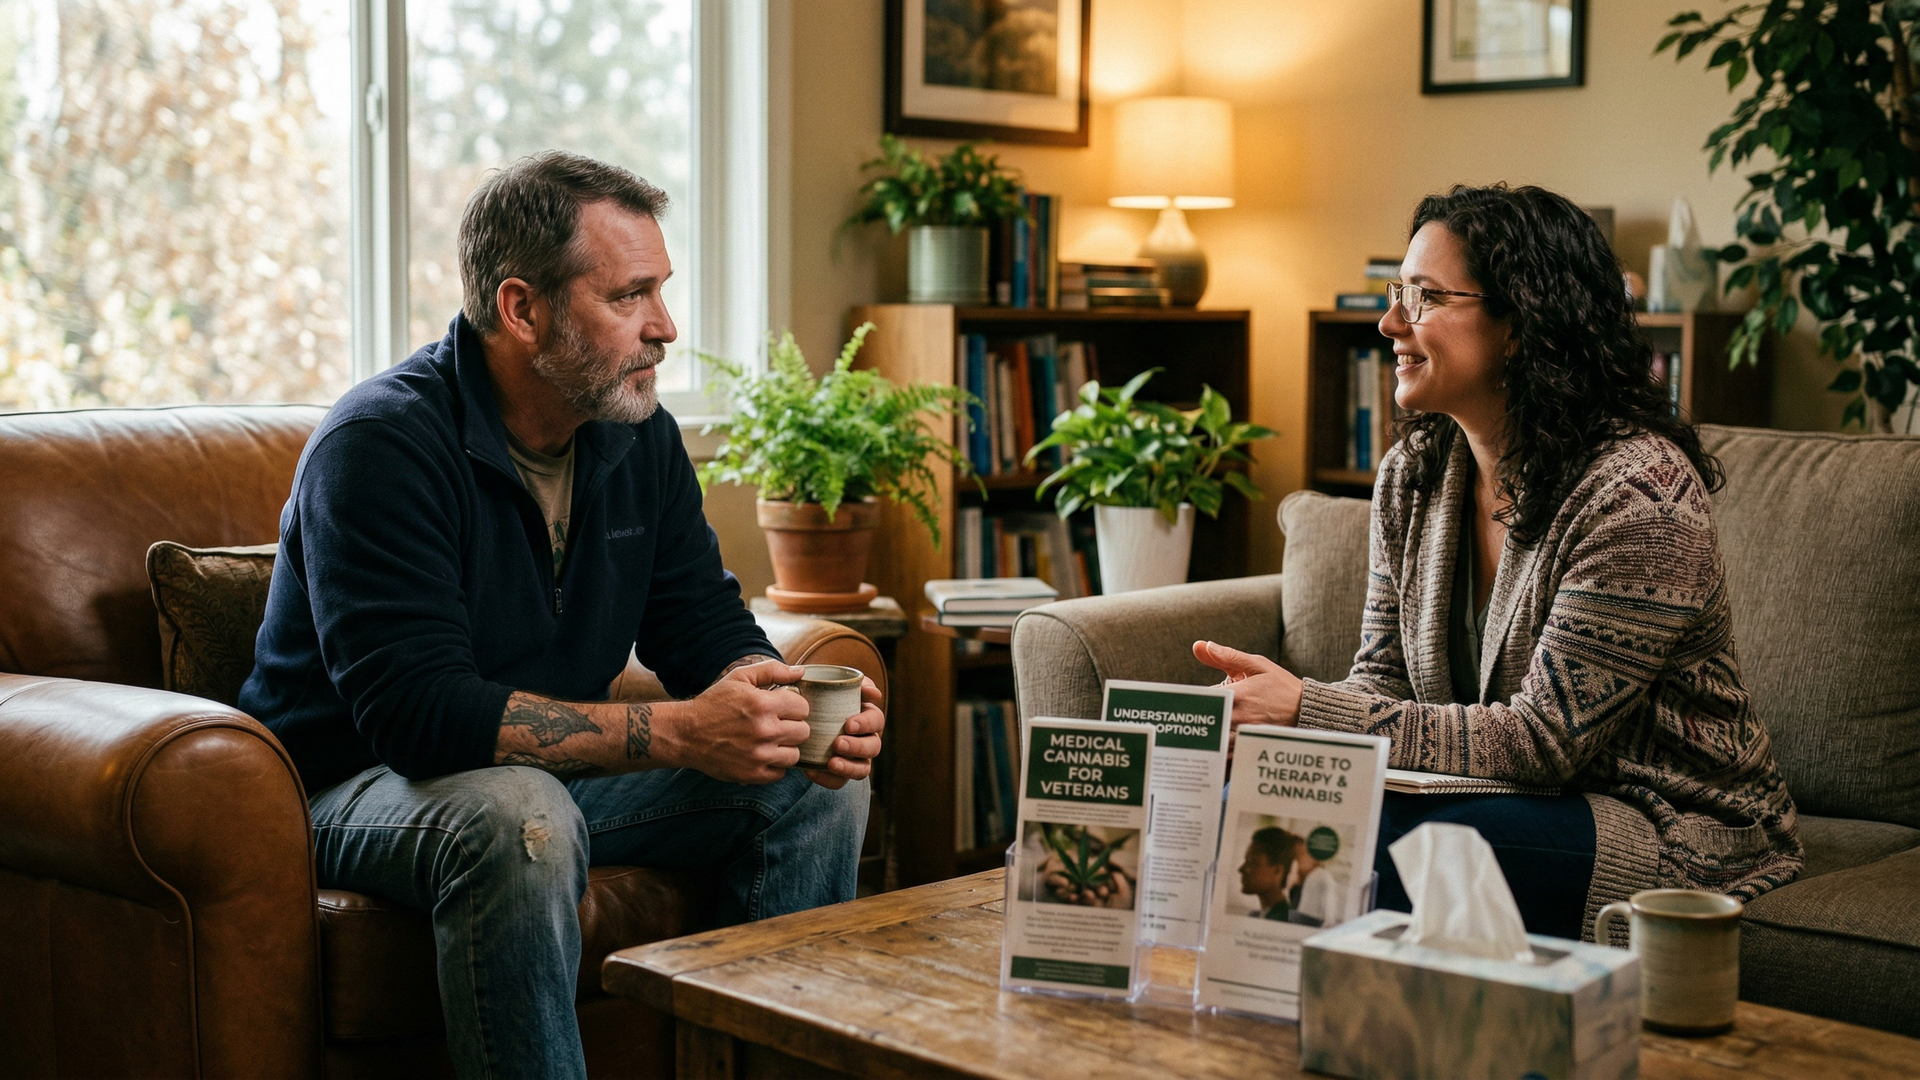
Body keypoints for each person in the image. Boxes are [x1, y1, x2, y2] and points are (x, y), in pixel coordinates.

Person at [239, 151, 883, 1079]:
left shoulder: (636, 434)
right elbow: (420, 717)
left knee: (811, 782)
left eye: (661, 290)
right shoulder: (379, 446)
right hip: (347, 789)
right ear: (520, 308)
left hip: (549, 778)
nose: (666, 327)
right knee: (518, 816)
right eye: (629, 297)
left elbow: (698, 620)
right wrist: (676, 733)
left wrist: (776, 699)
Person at [1194, 183, 1801, 942]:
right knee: (1250, 802)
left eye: (1424, 299)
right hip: (1495, 791)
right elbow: (1381, 680)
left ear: (1520, 325)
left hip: (1663, 823)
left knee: (1381, 840)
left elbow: (1543, 742)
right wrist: (1276, 739)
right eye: (1396, 295)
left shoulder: (1642, 495)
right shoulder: (1413, 476)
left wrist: (1309, 709)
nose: (1389, 324)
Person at [1237, 827, 1299, 920]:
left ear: (1277, 871)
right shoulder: (1255, 915)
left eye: (1251, 862)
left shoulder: (1286, 920)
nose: (1241, 869)